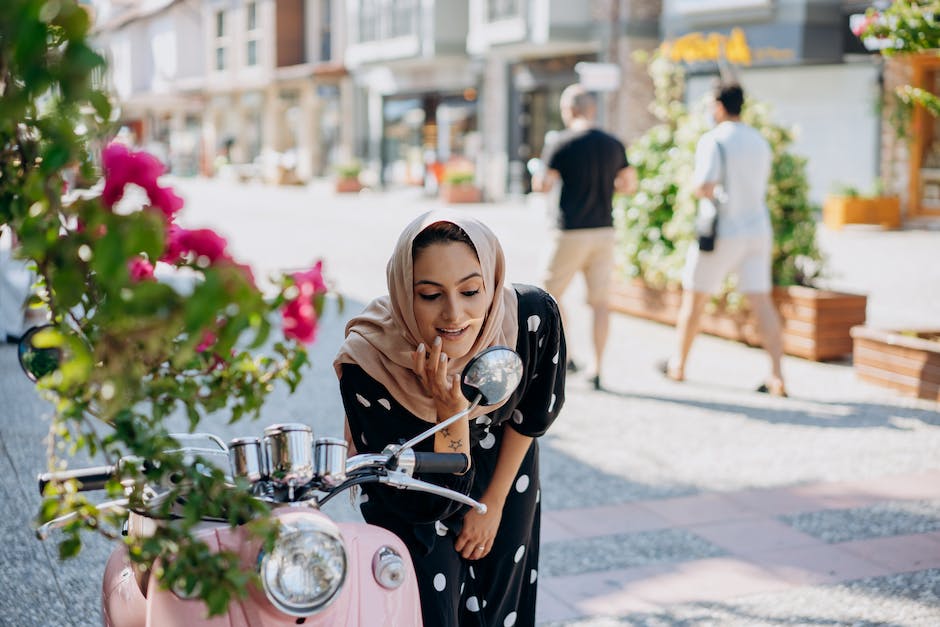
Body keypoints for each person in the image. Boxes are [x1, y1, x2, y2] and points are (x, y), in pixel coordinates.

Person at [334, 210, 566, 626]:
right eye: (429, 294)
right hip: (415, 494)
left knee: (501, 611)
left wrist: (492, 505)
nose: (454, 314)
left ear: (491, 283)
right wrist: (451, 413)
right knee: (431, 612)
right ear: (405, 292)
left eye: (471, 290)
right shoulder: (368, 362)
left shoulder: (529, 318)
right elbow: (425, 501)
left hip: (504, 480)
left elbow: (530, 416)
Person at [660, 82, 787, 397]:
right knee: (762, 302)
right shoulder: (759, 141)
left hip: (723, 232)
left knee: (695, 298)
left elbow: (704, 185)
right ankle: (778, 375)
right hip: (758, 229)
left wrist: (695, 187)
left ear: (718, 106)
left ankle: (679, 365)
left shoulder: (714, 140)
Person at [532, 84, 636, 390]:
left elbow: (543, 185)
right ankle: (598, 367)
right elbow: (629, 184)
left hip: (570, 232)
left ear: (569, 110)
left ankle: (568, 354)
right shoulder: (613, 143)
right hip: (604, 230)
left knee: (548, 293)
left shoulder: (560, 142)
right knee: (601, 302)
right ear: (592, 110)